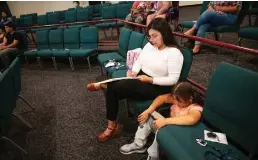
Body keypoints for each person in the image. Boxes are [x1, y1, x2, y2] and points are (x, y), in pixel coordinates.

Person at [87, 18, 184, 142]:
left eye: (155, 36)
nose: (152, 40)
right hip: (143, 77)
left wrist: (151, 80)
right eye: (149, 36)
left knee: (114, 87)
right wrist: (134, 71)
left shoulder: (174, 52)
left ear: (165, 34)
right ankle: (111, 124)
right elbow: (139, 60)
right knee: (113, 89)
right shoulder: (150, 45)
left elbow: (173, 80)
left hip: (158, 86)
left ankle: (111, 124)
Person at [119, 82, 203, 160]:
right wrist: (149, 110)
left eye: (179, 101)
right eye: (174, 99)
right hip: (167, 126)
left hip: (177, 135)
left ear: (190, 98)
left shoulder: (194, 108)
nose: (176, 102)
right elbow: (161, 98)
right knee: (148, 116)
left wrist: (165, 121)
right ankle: (138, 144)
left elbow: (192, 119)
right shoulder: (178, 98)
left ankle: (153, 156)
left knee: (162, 130)